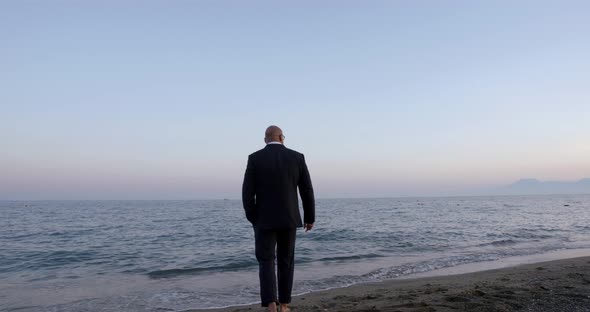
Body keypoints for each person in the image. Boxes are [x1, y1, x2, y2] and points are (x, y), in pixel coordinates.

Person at [242, 125, 315, 312]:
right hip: (289, 218)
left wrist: (253, 217)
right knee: (286, 260)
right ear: (282, 137)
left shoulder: (255, 158)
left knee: (266, 260)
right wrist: (309, 217)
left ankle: (271, 303)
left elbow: (247, 192)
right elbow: (306, 190)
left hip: (264, 220)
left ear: (265, 139)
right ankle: (284, 304)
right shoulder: (297, 157)